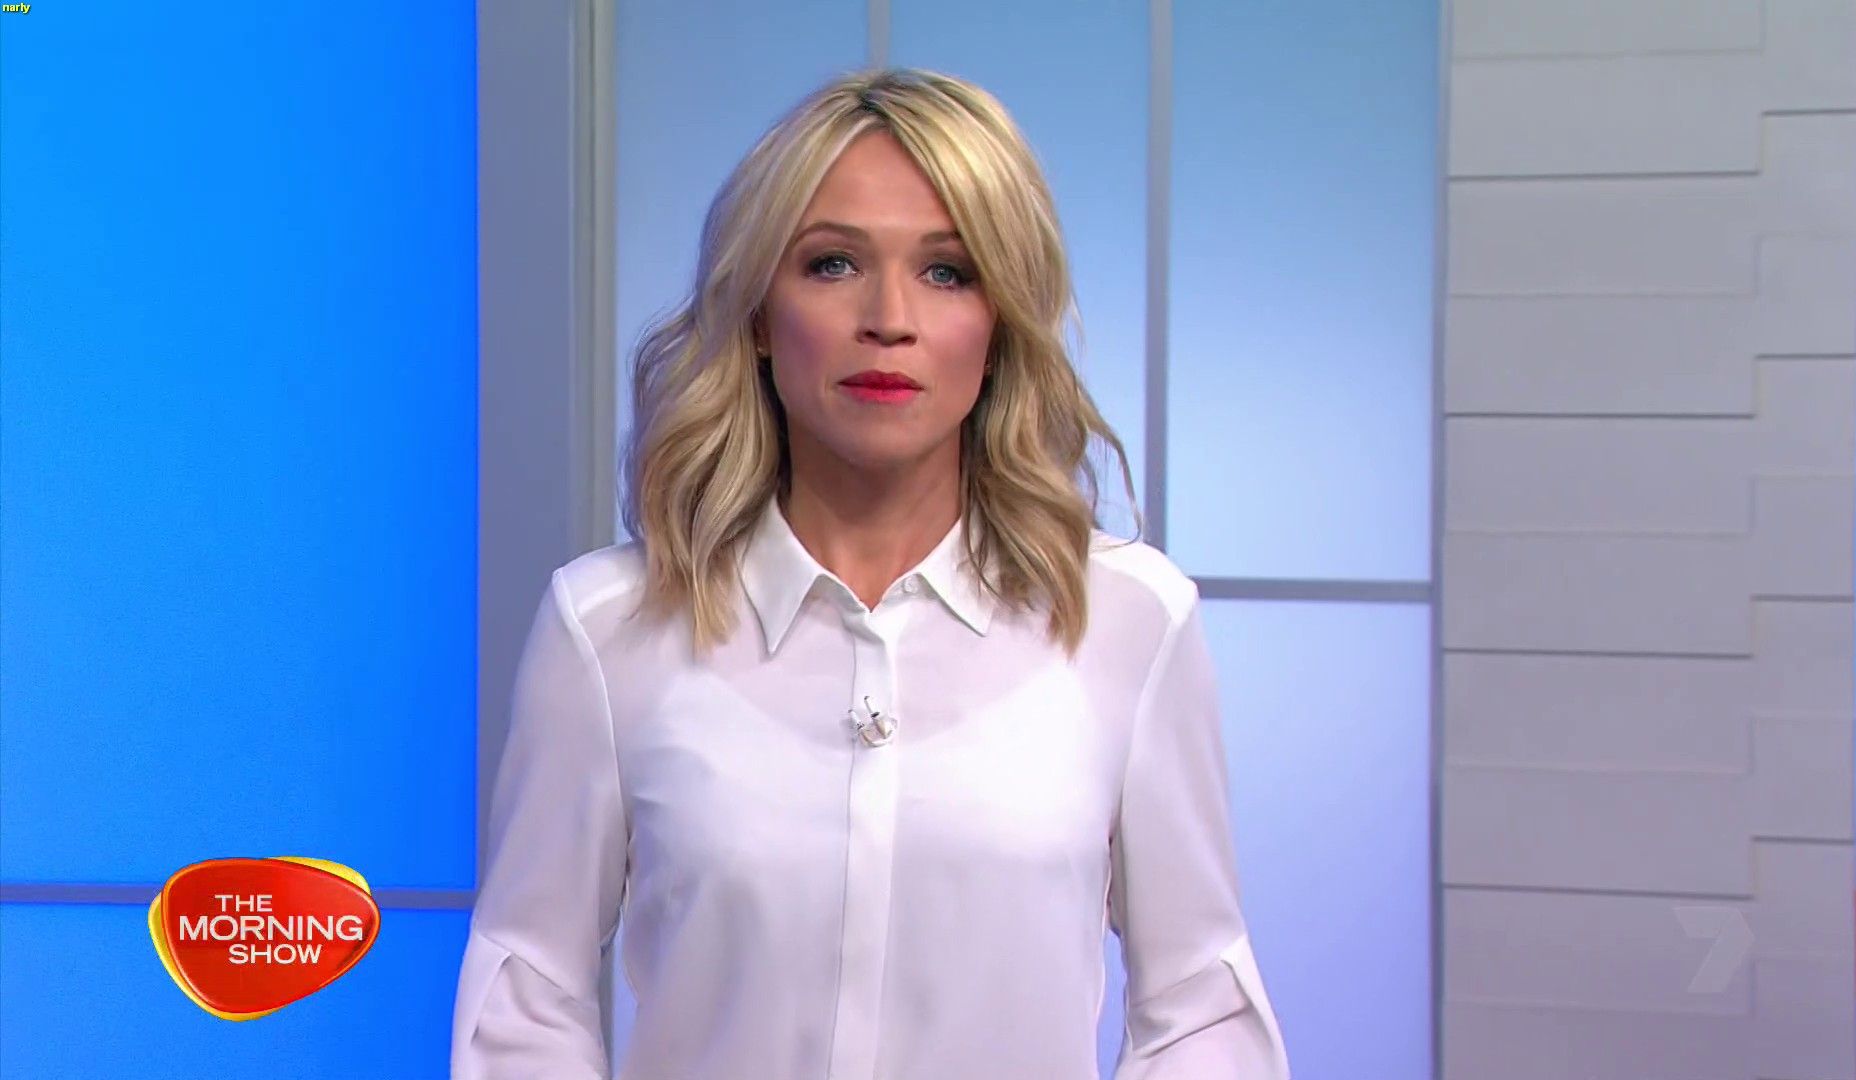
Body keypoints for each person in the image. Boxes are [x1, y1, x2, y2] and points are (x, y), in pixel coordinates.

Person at [450, 66, 1291, 1080]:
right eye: (833, 263)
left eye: (947, 272)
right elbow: (526, 1000)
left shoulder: (1129, 620)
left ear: (1001, 325)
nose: (889, 317)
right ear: (758, 316)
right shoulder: (609, 628)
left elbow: (1201, 1012)